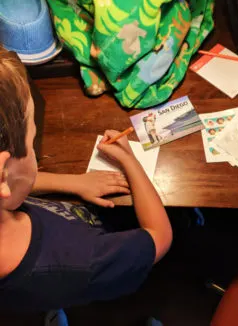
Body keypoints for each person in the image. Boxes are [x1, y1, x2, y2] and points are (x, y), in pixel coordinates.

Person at [0, 46, 172, 312]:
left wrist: (72, 182)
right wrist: (129, 160)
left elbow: (15, 183)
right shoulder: (81, 260)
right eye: (32, 138)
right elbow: (160, 237)